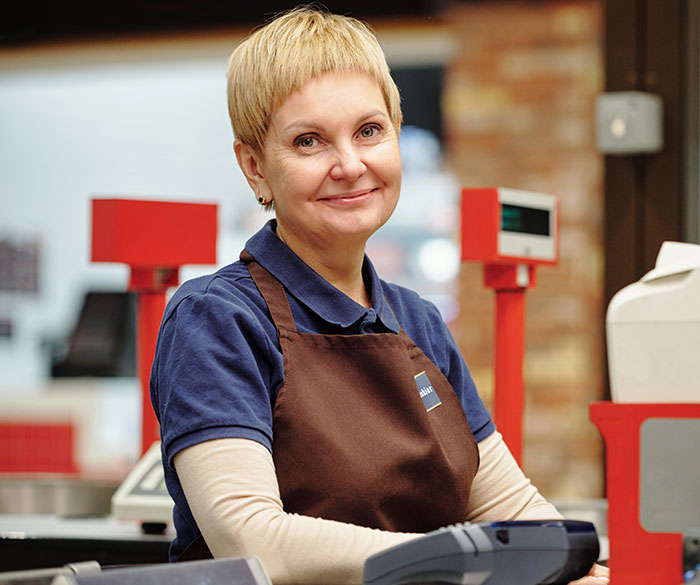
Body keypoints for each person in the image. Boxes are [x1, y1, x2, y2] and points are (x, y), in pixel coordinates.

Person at [150, 6, 610, 585]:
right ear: (255, 168)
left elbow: (511, 509)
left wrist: (580, 568)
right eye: (308, 141)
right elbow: (251, 536)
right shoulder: (218, 319)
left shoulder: (418, 321)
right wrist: (462, 556)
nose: (350, 165)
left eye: (369, 131)